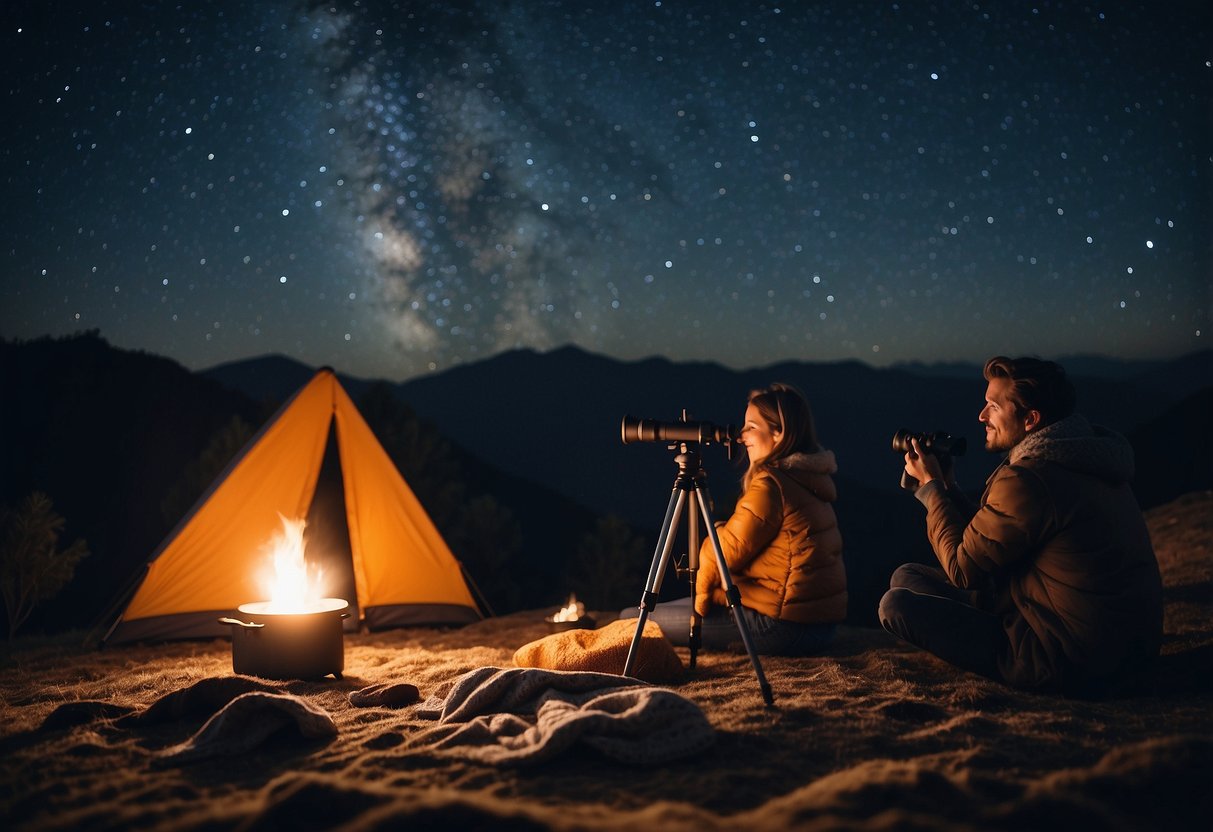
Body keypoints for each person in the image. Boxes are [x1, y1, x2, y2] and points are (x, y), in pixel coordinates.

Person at [878, 356, 1163, 696]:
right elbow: (996, 537)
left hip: (1065, 656)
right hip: (1120, 644)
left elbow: (962, 569)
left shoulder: (1031, 477)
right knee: (907, 577)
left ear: (1031, 419)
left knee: (895, 605)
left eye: (993, 407)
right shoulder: (1080, 455)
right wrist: (949, 489)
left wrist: (931, 490)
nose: (982, 416)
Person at [625, 383, 847, 655]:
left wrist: (703, 599)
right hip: (820, 628)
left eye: (751, 426)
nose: (742, 436)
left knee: (631, 619)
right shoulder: (807, 479)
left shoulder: (771, 485)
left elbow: (723, 555)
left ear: (778, 433)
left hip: (781, 627)